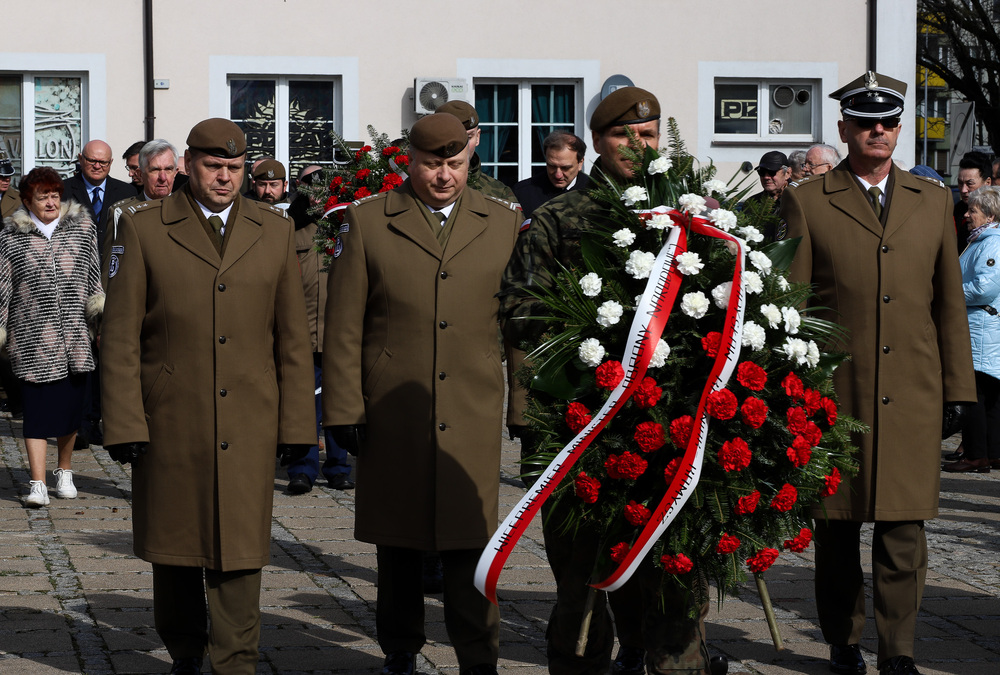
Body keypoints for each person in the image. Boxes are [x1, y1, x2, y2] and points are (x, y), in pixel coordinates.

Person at [500, 87, 724, 675]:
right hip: (584, 423)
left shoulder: (694, 214)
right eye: (624, 136)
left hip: (675, 425)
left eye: (648, 135)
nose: (638, 146)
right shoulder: (559, 218)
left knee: (675, 575)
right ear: (598, 141)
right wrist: (600, 331)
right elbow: (518, 310)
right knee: (582, 580)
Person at [100, 118, 316, 674]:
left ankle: (234, 660)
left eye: (235, 168)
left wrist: (297, 426)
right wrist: (124, 421)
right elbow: (121, 335)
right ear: (188, 165)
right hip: (172, 415)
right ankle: (185, 652)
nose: (224, 178)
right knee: (175, 548)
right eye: (214, 166)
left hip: (249, 417)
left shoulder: (273, 230)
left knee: (241, 552)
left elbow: (293, 340)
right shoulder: (143, 227)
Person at [780, 71, 976, 675]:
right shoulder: (809, 200)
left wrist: (958, 390)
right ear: (844, 129)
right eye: (866, 123)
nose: (879, 132)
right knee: (836, 529)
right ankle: (843, 641)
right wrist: (792, 391)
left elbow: (949, 301)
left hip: (913, 390)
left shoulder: (932, 199)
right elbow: (794, 305)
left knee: (903, 529)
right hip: (838, 392)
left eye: (889, 123)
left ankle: (898, 651)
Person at [322, 113, 523, 675]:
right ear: (409, 159)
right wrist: (342, 408)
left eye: (455, 164)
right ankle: (401, 651)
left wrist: (523, 407)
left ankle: (477, 657)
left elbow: (519, 327)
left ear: (469, 160)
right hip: (394, 411)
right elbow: (343, 327)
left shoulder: (502, 222)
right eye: (433, 164)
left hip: (472, 408)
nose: (443, 176)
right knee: (400, 543)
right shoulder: (367, 222)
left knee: (472, 543)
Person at [0, 167, 103, 507]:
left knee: (69, 413)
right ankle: (38, 483)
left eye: (55, 195)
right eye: (42, 196)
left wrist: (99, 321)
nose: (50, 202)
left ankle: (65, 469)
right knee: (36, 413)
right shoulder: (10, 237)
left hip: (74, 337)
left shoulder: (82, 229)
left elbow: (94, 278)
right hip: (31, 339)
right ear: (27, 201)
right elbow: (2, 289)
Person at [284, 164, 354, 494]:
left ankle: (339, 467)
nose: (317, 191)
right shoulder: (290, 228)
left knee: (338, 404)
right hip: (302, 331)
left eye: (322, 184)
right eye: (310, 185)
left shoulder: (345, 226)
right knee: (302, 405)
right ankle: (303, 467)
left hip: (339, 333)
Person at [943, 185, 1000, 473]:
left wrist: (947, 291)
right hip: (980, 326)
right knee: (987, 393)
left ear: (989, 216)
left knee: (975, 392)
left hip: (981, 327)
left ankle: (976, 454)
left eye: (973, 211)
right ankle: (989, 452)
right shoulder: (982, 240)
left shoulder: (992, 243)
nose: (966, 214)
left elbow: (984, 287)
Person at [435, 100, 518, 203]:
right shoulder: (420, 187)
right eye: (453, 138)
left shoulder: (499, 193)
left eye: (468, 137)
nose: (463, 145)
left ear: (477, 137)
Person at [513, 131, 591, 218]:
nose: (558, 175)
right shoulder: (523, 193)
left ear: (580, 163)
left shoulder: (596, 194)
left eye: (565, 168)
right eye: (552, 166)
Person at [953, 151, 993, 235]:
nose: (964, 190)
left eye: (970, 184)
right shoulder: (956, 211)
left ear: (987, 182)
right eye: (960, 183)